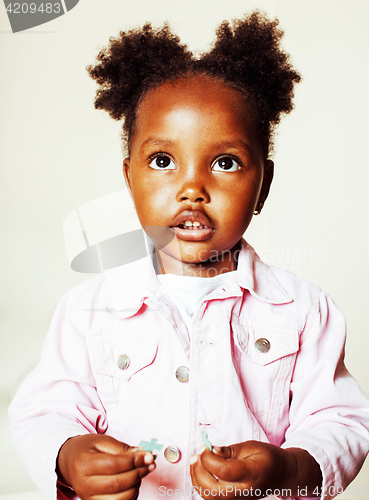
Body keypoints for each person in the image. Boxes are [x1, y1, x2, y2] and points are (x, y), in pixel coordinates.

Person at [9, 11, 369, 500]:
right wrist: (69, 457)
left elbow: (341, 420)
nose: (192, 189)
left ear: (262, 186)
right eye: (163, 161)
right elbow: (45, 412)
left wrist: (288, 470)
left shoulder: (306, 311)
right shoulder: (88, 310)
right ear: (129, 177)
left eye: (225, 163)